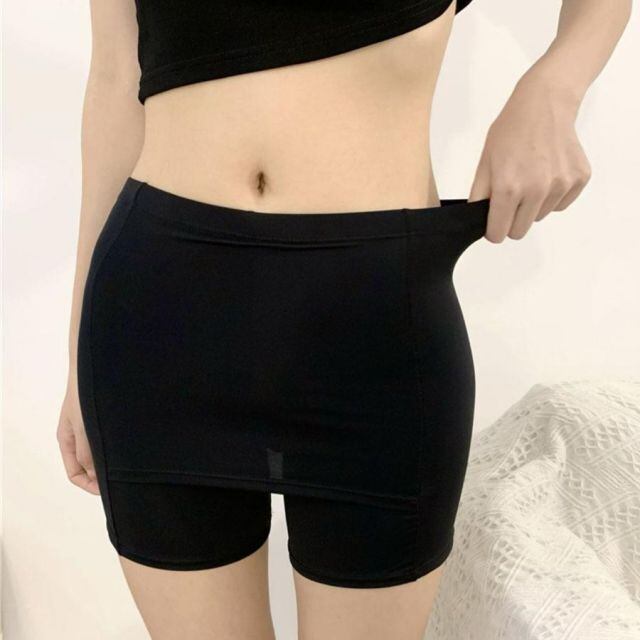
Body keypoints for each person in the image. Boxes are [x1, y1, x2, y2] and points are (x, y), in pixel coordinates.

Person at [56, 1, 631, 638]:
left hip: (374, 326)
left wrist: (554, 85)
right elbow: (115, 77)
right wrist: (78, 349)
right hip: (157, 316)